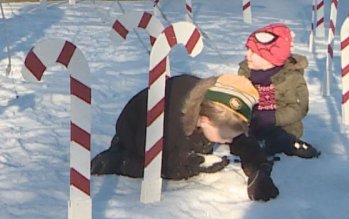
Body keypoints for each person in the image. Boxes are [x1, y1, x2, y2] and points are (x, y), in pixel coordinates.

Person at [91, 74, 279, 201]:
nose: (229, 142)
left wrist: (258, 170)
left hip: (187, 130)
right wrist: (194, 165)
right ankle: (115, 161)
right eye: (226, 138)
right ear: (204, 121)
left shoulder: (216, 108)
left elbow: (241, 139)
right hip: (139, 135)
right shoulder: (176, 121)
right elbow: (166, 164)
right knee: (150, 168)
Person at [238, 23, 319, 159]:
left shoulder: (291, 78)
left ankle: (292, 145)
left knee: (278, 138)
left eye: (253, 52)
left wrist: (272, 117)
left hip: (281, 126)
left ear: (271, 57)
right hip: (250, 123)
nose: (247, 55)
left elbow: (299, 108)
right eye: (247, 50)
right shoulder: (245, 72)